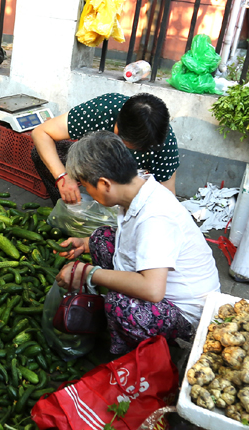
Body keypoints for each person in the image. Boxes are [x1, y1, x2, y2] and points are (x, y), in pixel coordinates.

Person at [54, 131, 219, 354]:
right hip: (162, 285)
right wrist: (86, 243)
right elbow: (129, 237)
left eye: (86, 186)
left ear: (104, 184)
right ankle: (122, 328)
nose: (88, 194)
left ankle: (137, 352)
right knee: (100, 239)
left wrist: (88, 273)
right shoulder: (137, 190)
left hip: (186, 312)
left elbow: (153, 291)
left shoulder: (155, 217)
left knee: (120, 306)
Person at [31, 92, 179, 204]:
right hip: (94, 163)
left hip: (129, 189)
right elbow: (41, 133)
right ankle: (69, 207)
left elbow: (166, 196)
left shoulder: (164, 142)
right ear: (117, 126)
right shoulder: (105, 109)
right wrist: (62, 176)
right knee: (42, 153)